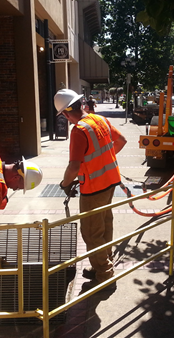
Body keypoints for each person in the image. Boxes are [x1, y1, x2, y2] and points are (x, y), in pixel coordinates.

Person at [54, 89, 127, 285]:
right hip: (110, 182)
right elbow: (120, 141)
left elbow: (74, 166)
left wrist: (65, 184)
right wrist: (103, 163)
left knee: (91, 233)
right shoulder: (100, 120)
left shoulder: (79, 131)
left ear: (66, 113)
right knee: (105, 225)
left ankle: (104, 274)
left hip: (94, 189)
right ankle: (101, 264)